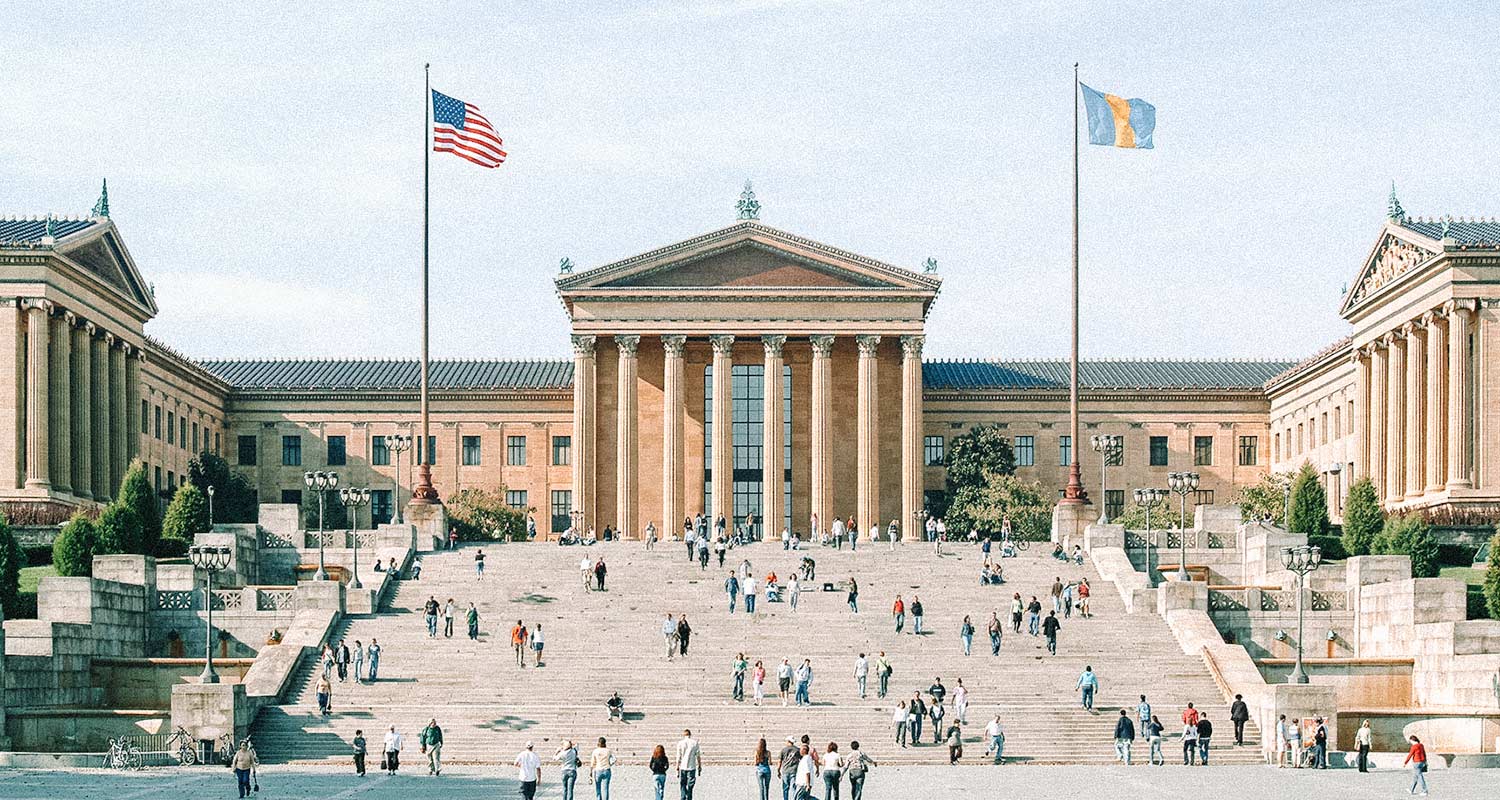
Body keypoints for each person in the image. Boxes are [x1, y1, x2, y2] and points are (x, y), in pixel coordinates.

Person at [675, 729, 702, 800]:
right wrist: (699, 765)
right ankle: (689, 795)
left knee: (683, 783)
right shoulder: (695, 743)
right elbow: (698, 755)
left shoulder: (680, 743)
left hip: (683, 766)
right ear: (690, 734)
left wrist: (677, 766)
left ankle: (683, 796)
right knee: (691, 783)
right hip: (692, 766)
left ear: (684, 735)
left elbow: (678, 756)